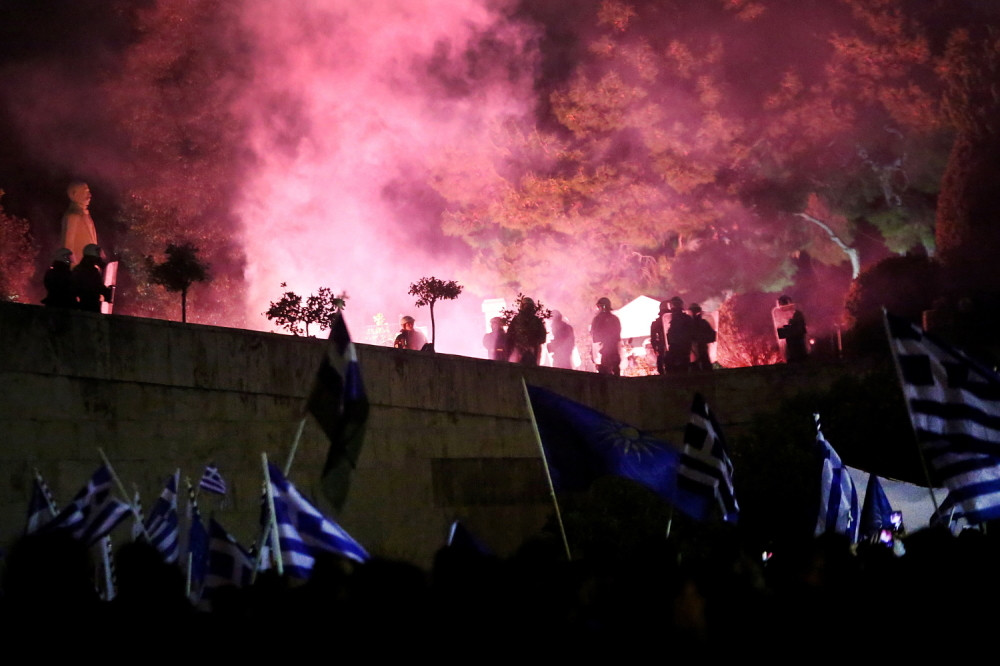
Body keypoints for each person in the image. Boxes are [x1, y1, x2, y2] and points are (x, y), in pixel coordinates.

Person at [60, 182, 98, 268]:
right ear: (75, 194)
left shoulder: (86, 215)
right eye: (86, 192)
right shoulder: (72, 217)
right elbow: (67, 246)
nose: (89, 195)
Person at [72, 244, 112, 313]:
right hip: (90, 307)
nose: (100, 257)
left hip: (80, 307)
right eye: (98, 254)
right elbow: (98, 287)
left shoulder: (78, 268)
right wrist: (109, 292)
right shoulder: (91, 271)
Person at [507, 298, 547, 366]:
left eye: (529, 306)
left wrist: (533, 344)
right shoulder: (517, 320)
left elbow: (542, 336)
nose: (527, 308)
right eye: (526, 305)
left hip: (531, 350)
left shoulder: (536, 321)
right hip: (519, 349)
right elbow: (510, 334)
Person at [591, 297, 622, 375]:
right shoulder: (615, 319)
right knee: (616, 374)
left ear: (600, 307)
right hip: (615, 351)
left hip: (605, 352)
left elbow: (595, 336)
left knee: (605, 374)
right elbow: (618, 336)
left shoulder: (597, 319)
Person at [773, 295, 808, 363]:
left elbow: (800, 328)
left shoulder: (797, 313)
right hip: (793, 342)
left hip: (797, 341)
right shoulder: (796, 313)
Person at [665, 296, 694, 374]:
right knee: (684, 366)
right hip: (684, 345)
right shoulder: (687, 318)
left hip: (676, 345)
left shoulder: (670, 318)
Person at [689, 303, 716, 372]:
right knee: (705, 363)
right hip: (701, 347)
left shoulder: (689, 323)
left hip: (695, 348)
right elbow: (712, 335)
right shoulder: (703, 322)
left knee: (697, 366)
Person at [649, 300, 669, 375]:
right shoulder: (656, 323)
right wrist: (655, 347)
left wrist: (655, 347)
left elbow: (653, 338)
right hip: (663, 346)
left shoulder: (656, 323)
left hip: (667, 346)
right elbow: (653, 337)